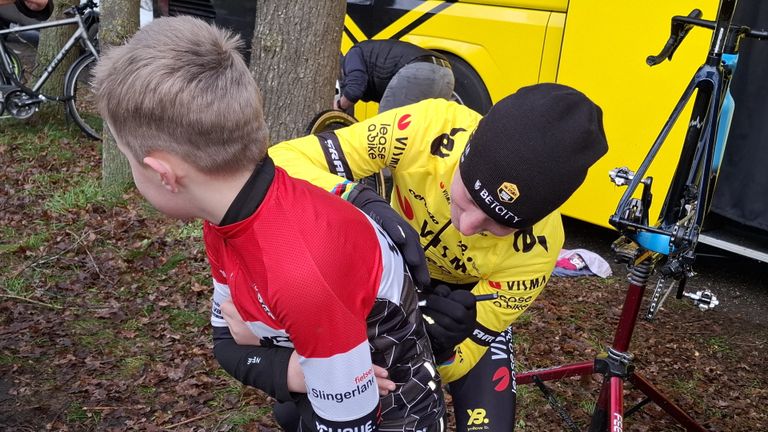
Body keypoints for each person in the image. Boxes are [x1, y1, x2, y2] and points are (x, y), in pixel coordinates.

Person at [92, 16, 446, 432]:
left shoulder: (301, 267)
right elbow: (226, 342)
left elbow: (246, 346)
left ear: (162, 173)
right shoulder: (227, 211)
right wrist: (292, 371)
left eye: (128, 159)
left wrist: (275, 358)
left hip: (392, 417)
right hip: (331, 400)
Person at [270, 83, 609, 431]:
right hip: (383, 283)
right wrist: (358, 199)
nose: (468, 225)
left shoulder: (539, 249)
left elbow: (461, 363)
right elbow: (281, 160)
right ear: (463, 155)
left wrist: (445, 347)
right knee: (296, 416)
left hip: (455, 303)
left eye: (497, 224)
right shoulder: (427, 128)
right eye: (468, 199)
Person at [336, 39, 455, 114]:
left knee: (384, 132)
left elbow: (354, 90)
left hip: (417, 71)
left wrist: (338, 107)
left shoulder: (352, 55)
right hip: (446, 74)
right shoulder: (367, 53)